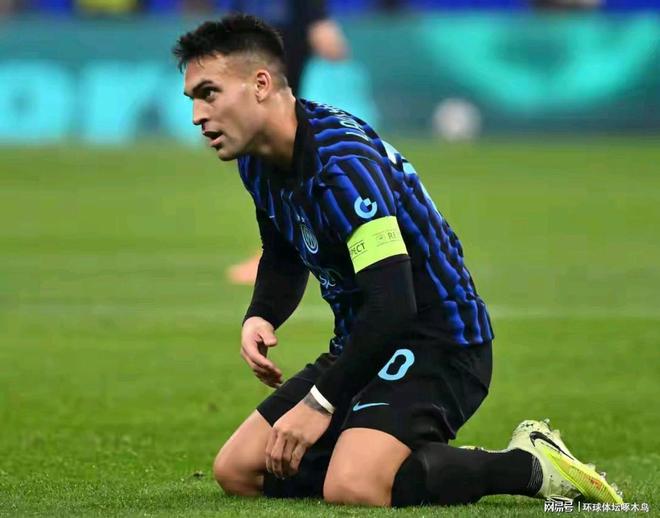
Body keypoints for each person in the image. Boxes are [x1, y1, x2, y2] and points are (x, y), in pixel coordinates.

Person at [172, 14, 623, 507]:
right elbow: (283, 249)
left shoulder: (342, 165)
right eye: (192, 98)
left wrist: (319, 403)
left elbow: (393, 302)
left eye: (209, 93)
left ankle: (528, 464)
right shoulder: (258, 159)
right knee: (239, 470)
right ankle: (376, 458)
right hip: (366, 340)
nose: (197, 114)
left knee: (353, 486)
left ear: (261, 84)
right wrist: (261, 314)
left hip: (439, 341)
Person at [225, 0, 348, 285]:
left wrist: (319, 26)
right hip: (261, 97)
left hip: (278, 103)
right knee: (274, 174)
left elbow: (329, 42)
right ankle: (295, 248)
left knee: (280, 173)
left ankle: (282, 253)